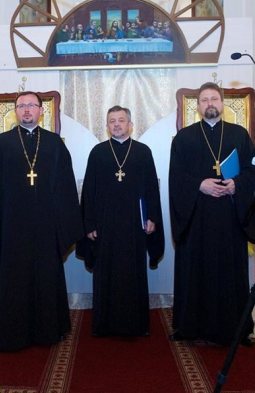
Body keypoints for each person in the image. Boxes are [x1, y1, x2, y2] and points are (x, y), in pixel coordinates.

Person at [0, 91, 83, 352]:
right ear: (15, 111)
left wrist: (64, 225)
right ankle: (13, 332)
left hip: (47, 228)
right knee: (14, 279)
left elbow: (66, 187)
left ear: (41, 111)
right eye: (22, 106)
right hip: (12, 228)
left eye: (32, 106)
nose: (27, 110)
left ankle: (48, 330)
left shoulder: (54, 143)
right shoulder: (2, 144)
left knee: (46, 276)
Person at [168, 82, 255, 345]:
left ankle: (237, 328)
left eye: (215, 99)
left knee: (231, 273)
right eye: (205, 100)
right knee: (195, 270)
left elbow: (253, 173)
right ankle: (190, 326)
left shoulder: (240, 135)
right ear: (197, 106)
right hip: (197, 218)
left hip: (229, 219)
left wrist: (236, 184)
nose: (210, 103)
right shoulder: (184, 138)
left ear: (222, 103)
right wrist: (200, 184)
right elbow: (176, 177)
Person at [78, 106, 164, 337]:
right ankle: (104, 325)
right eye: (112, 121)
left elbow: (151, 190)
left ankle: (136, 325)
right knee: (105, 272)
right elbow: (88, 192)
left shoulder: (143, 152)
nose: (116, 124)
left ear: (130, 124)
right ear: (107, 127)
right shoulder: (98, 152)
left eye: (121, 120)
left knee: (132, 272)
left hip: (134, 225)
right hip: (104, 225)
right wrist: (89, 224)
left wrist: (152, 218)